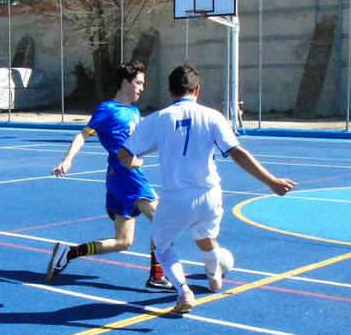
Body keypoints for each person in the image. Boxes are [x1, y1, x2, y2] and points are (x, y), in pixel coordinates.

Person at [119, 64, 295, 314]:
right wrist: (272, 181)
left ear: (170, 91)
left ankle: (184, 291)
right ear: (197, 90)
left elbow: (124, 153)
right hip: (210, 195)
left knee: (161, 245)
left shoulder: (158, 118)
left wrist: (136, 161)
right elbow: (237, 152)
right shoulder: (213, 116)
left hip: (176, 198)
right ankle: (214, 277)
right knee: (204, 237)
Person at [45, 60, 172, 290]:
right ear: (125, 82)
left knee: (123, 241)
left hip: (123, 175)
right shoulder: (107, 109)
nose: (142, 88)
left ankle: (69, 253)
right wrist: (68, 159)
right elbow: (83, 135)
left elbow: (138, 144)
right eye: (138, 83)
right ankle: (157, 275)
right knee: (163, 218)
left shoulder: (134, 111)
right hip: (125, 174)